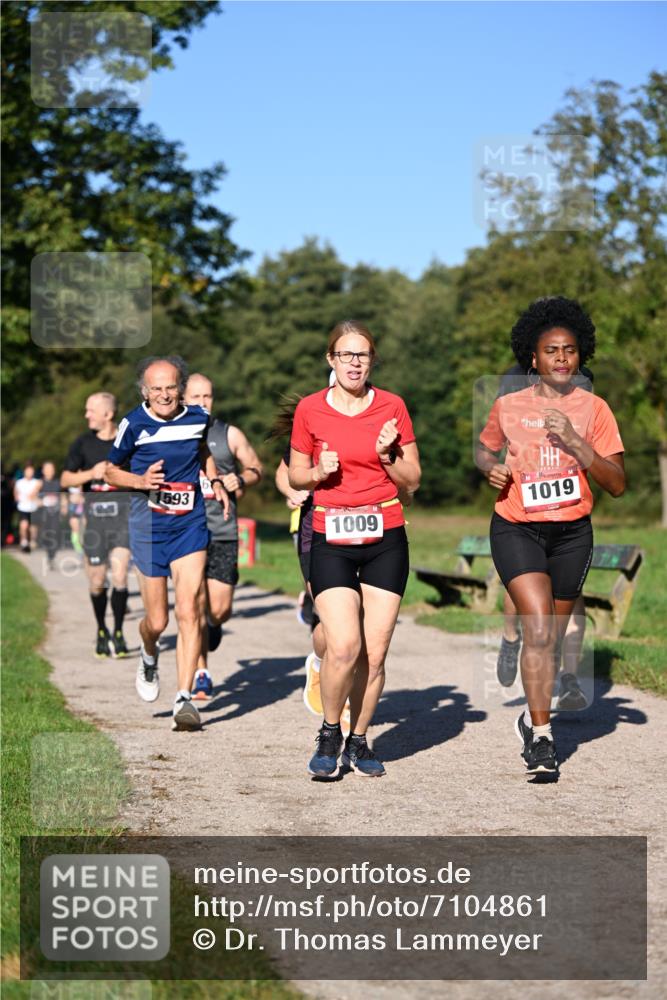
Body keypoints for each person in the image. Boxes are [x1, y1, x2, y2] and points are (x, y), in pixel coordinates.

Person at [477, 297, 625, 777]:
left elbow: (617, 484)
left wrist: (578, 443)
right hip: (517, 526)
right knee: (537, 630)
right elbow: (484, 451)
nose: (562, 358)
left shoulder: (595, 409)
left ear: (580, 357)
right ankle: (542, 740)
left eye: (570, 350)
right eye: (551, 351)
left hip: (571, 535)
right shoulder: (508, 405)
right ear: (533, 359)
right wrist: (492, 471)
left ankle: (528, 716)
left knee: (553, 642)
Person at [289, 320, 421, 778]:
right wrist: (317, 472)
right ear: (331, 360)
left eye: (362, 354)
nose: (355, 362)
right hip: (332, 536)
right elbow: (295, 476)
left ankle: (360, 741)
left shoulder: (393, 407)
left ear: (372, 360)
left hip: (385, 533)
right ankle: (330, 732)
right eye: (346, 355)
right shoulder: (310, 410)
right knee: (344, 646)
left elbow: (414, 481)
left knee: (376, 652)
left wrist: (389, 457)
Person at [105, 356, 229, 732]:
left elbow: (202, 451)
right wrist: (141, 481)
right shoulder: (133, 423)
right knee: (157, 620)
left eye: (170, 386)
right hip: (149, 526)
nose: (163, 394)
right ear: (145, 391)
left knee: (190, 609)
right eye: (155, 388)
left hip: (190, 523)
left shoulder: (197, 418)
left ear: (181, 387)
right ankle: (147, 652)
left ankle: (184, 698)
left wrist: (216, 481)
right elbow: (110, 470)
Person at [495, 359, 594, 711]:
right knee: (523, 591)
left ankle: (568, 677)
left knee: (571, 595)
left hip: (568, 518)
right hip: (521, 511)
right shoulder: (512, 378)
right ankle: (510, 638)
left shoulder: (581, 379)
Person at [182, 373, 263, 700]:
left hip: (224, 532)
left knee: (220, 609)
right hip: (187, 533)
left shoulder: (228, 434)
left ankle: (214, 626)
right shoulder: (175, 435)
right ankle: (201, 672)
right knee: (194, 605)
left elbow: (257, 467)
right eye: (196, 397)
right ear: (183, 398)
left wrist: (240, 480)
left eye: (208, 396)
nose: (202, 402)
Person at [61, 394, 132, 658]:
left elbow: (140, 477)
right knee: (97, 581)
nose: (86, 415)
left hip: (123, 519)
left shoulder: (127, 442)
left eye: (91, 410)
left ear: (107, 414)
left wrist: (118, 477)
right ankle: (102, 630)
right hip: (95, 523)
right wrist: (92, 473)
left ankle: (119, 632)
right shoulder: (82, 444)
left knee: (121, 575)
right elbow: (66, 478)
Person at [38, 461, 63, 569]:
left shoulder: (58, 483)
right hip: (43, 513)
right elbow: (32, 498)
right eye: (47, 469)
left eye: (51, 469)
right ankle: (49, 556)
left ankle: (52, 557)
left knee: (55, 534)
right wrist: (43, 502)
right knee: (47, 535)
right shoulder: (39, 483)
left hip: (56, 513)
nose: (50, 471)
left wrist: (64, 505)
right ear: (43, 471)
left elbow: (63, 497)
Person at [14, 462, 41, 552]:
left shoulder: (37, 482)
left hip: (33, 508)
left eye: (31, 471)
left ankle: (33, 541)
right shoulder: (19, 482)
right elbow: (16, 494)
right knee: (24, 525)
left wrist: (32, 496)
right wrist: (18, 498)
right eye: (28, 471)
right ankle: (24, 541)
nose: (29, 473)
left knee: (33, 527)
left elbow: (34, 494)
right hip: (23, 507)